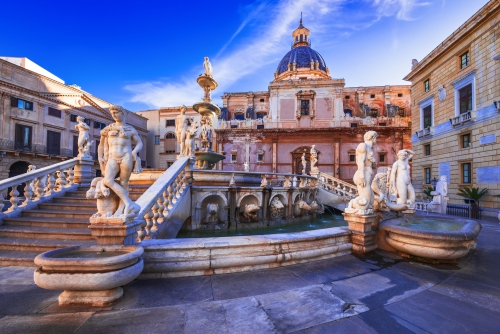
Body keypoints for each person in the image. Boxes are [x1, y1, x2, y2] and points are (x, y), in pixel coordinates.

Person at [98, 106, 143, 218]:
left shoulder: (130, 129)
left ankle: (120, 209)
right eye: (112, 113)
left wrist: (134, 152)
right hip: (112, 157)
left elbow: (139, 143)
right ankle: (128, 203)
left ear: (123, 114)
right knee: (108, 181)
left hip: (126, 156)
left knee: (124, 183)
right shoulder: (108, 129)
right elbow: (101, 144)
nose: (114, 115)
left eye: (116, 113)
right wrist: (100, 157)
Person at [351, 131, 378, 211]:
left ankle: (368, 221)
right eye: (376, 138)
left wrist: (373, 161)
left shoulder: (370, 148)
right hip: (363, 175)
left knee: (370, 204)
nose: (376, 140)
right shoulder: (363, 145)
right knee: (364, 205)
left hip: (367, 176)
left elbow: (373, 165)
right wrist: (361, 177)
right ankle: (354, 211)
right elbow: (360, 161)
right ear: (373, 138)